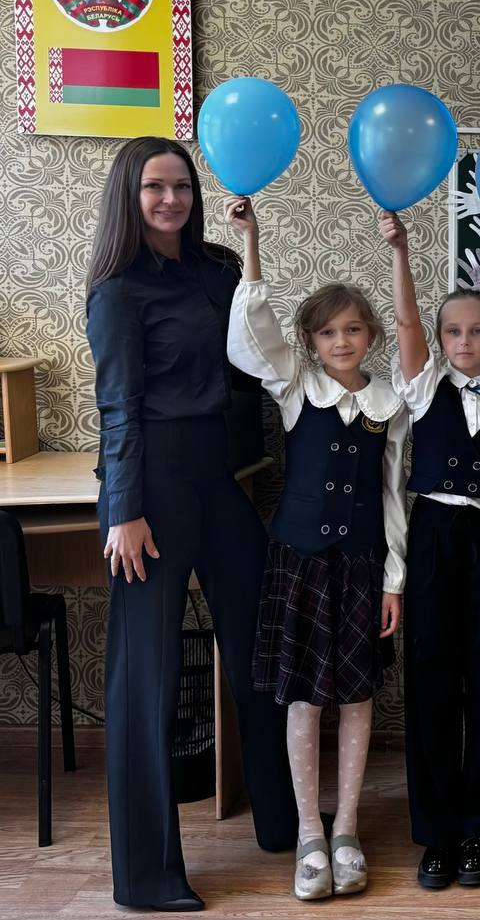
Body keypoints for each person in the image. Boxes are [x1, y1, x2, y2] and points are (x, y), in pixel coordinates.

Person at [85, 137, 295, 912]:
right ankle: (146, 877)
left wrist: (252, 242)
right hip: (152, 488)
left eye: (181, 186)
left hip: (217, 475)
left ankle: (283, 820)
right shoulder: (116, 290)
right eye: (154, 187)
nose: (171, 199)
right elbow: (118, 407)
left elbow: (250, 358)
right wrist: (124, 510)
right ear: (129, 195)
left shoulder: (217, 269)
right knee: (147, 675)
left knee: (261, 641)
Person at [224, 195, 408, 900]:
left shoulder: (389, 404)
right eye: (328, 332)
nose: (341, 341)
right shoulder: (296, 388)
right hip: (299, 563)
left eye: (354, 329)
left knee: (356, 698)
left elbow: (393, 497)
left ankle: (348, 829)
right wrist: (252, 243)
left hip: (361, 567)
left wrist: (394, 580)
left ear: (371, 336)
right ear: (310, 340)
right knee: (302, 700)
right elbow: (253, 334)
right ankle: (309, 832)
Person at [383, 213, 480, 890]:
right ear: (441, 339)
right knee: (433, 681)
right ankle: (438, 830)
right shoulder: (425, 388)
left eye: (477, 330)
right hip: (435, 538)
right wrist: (401, 250)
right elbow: (405, 322)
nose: (465, 340)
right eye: (454, 331)